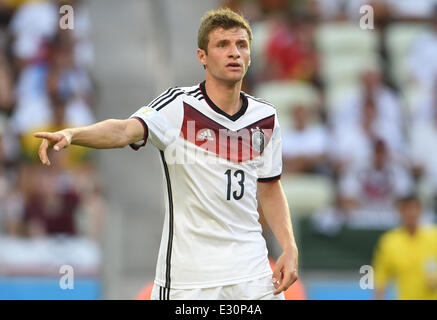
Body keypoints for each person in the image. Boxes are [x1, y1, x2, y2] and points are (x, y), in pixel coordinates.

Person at [33, 8, 298, 300]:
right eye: (222, 45)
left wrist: (289, 246)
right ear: (202, 57)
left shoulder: (266, 117)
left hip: (253, 274)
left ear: (250, 55)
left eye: (241, 45)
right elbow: (124, 131)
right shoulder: (178, 106)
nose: (234, 52)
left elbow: (270, 187)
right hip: (190, 279)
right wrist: (74, 134)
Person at [372, 194, 437, 300]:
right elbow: (380, 277)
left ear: (421, 211)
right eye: (407, 209)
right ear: (400, 212)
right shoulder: (389, 241)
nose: (411, 213)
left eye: (415, 209)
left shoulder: (434, 236)